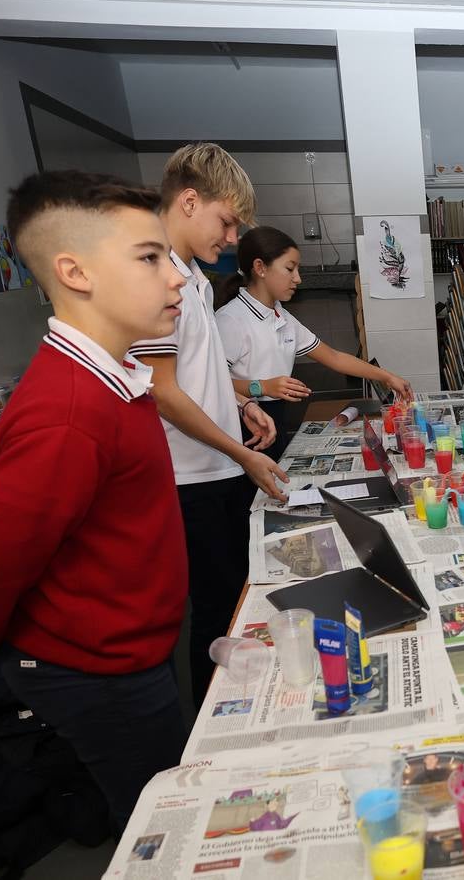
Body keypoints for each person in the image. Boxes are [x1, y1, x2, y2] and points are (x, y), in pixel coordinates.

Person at [0, 171, 190, 831]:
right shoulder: (68, 407)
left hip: (127, 647)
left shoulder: (111, 377)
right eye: (151, 258)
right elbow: (6, 543)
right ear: (75, 271)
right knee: (160, 827)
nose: (176, 277)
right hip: (97, 669)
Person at [127, 143, 289, 706]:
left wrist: (240, 405)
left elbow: (197, 369)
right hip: (189, 478)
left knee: (235, 600)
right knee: (215, 613)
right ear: (189, 201)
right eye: (226, 223)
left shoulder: (191, 276)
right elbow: (163, 392)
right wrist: (241, 453)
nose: (230, 239)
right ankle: (212, 721)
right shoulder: (154, 278)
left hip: (217, 465)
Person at [216, 225, 413, 460]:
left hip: (275, 419)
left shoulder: (282, 317)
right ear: (260, 268)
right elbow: (213, 383)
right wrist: (261, 387)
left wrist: (387, 377)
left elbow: (335, 358)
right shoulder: (231, 320)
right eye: (290, 269)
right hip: (244, 426)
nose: (297, 278)